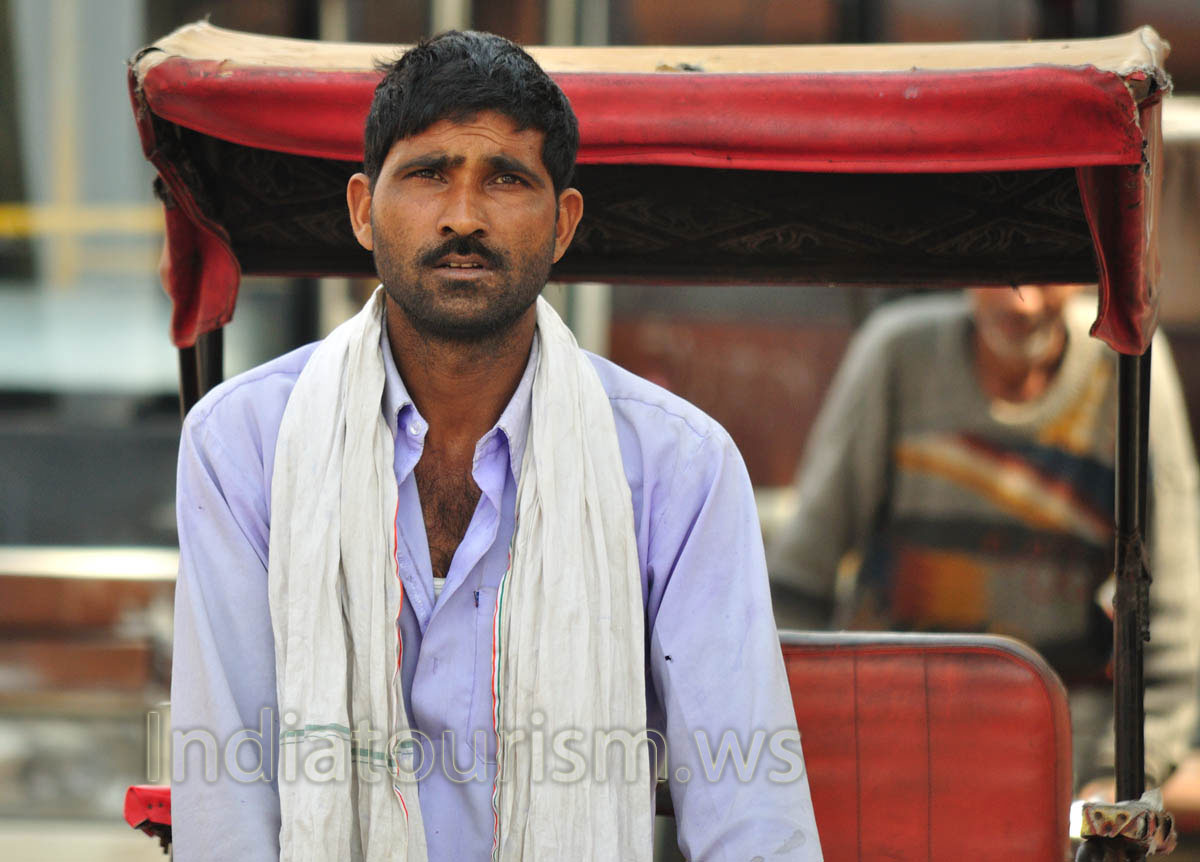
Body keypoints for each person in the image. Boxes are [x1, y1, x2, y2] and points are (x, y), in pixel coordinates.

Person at [170, 30, 821, 862]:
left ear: (562, 224)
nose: (464, 216)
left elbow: (749, 810)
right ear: (365, 210)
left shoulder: (676, 468)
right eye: (428, 173)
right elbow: (226, 795)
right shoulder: (242, 446)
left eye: (507, 180)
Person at [767, 283, 1200, 797]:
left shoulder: (1130, 364)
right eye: (1003, 276)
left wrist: (1119, 779)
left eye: (1046, 275)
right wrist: (805, 747)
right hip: (891, 734)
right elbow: (797, 583)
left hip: (1060, 756)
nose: (1024, 302)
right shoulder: (899, 354)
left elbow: (1172, 624)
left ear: (1087, 273)